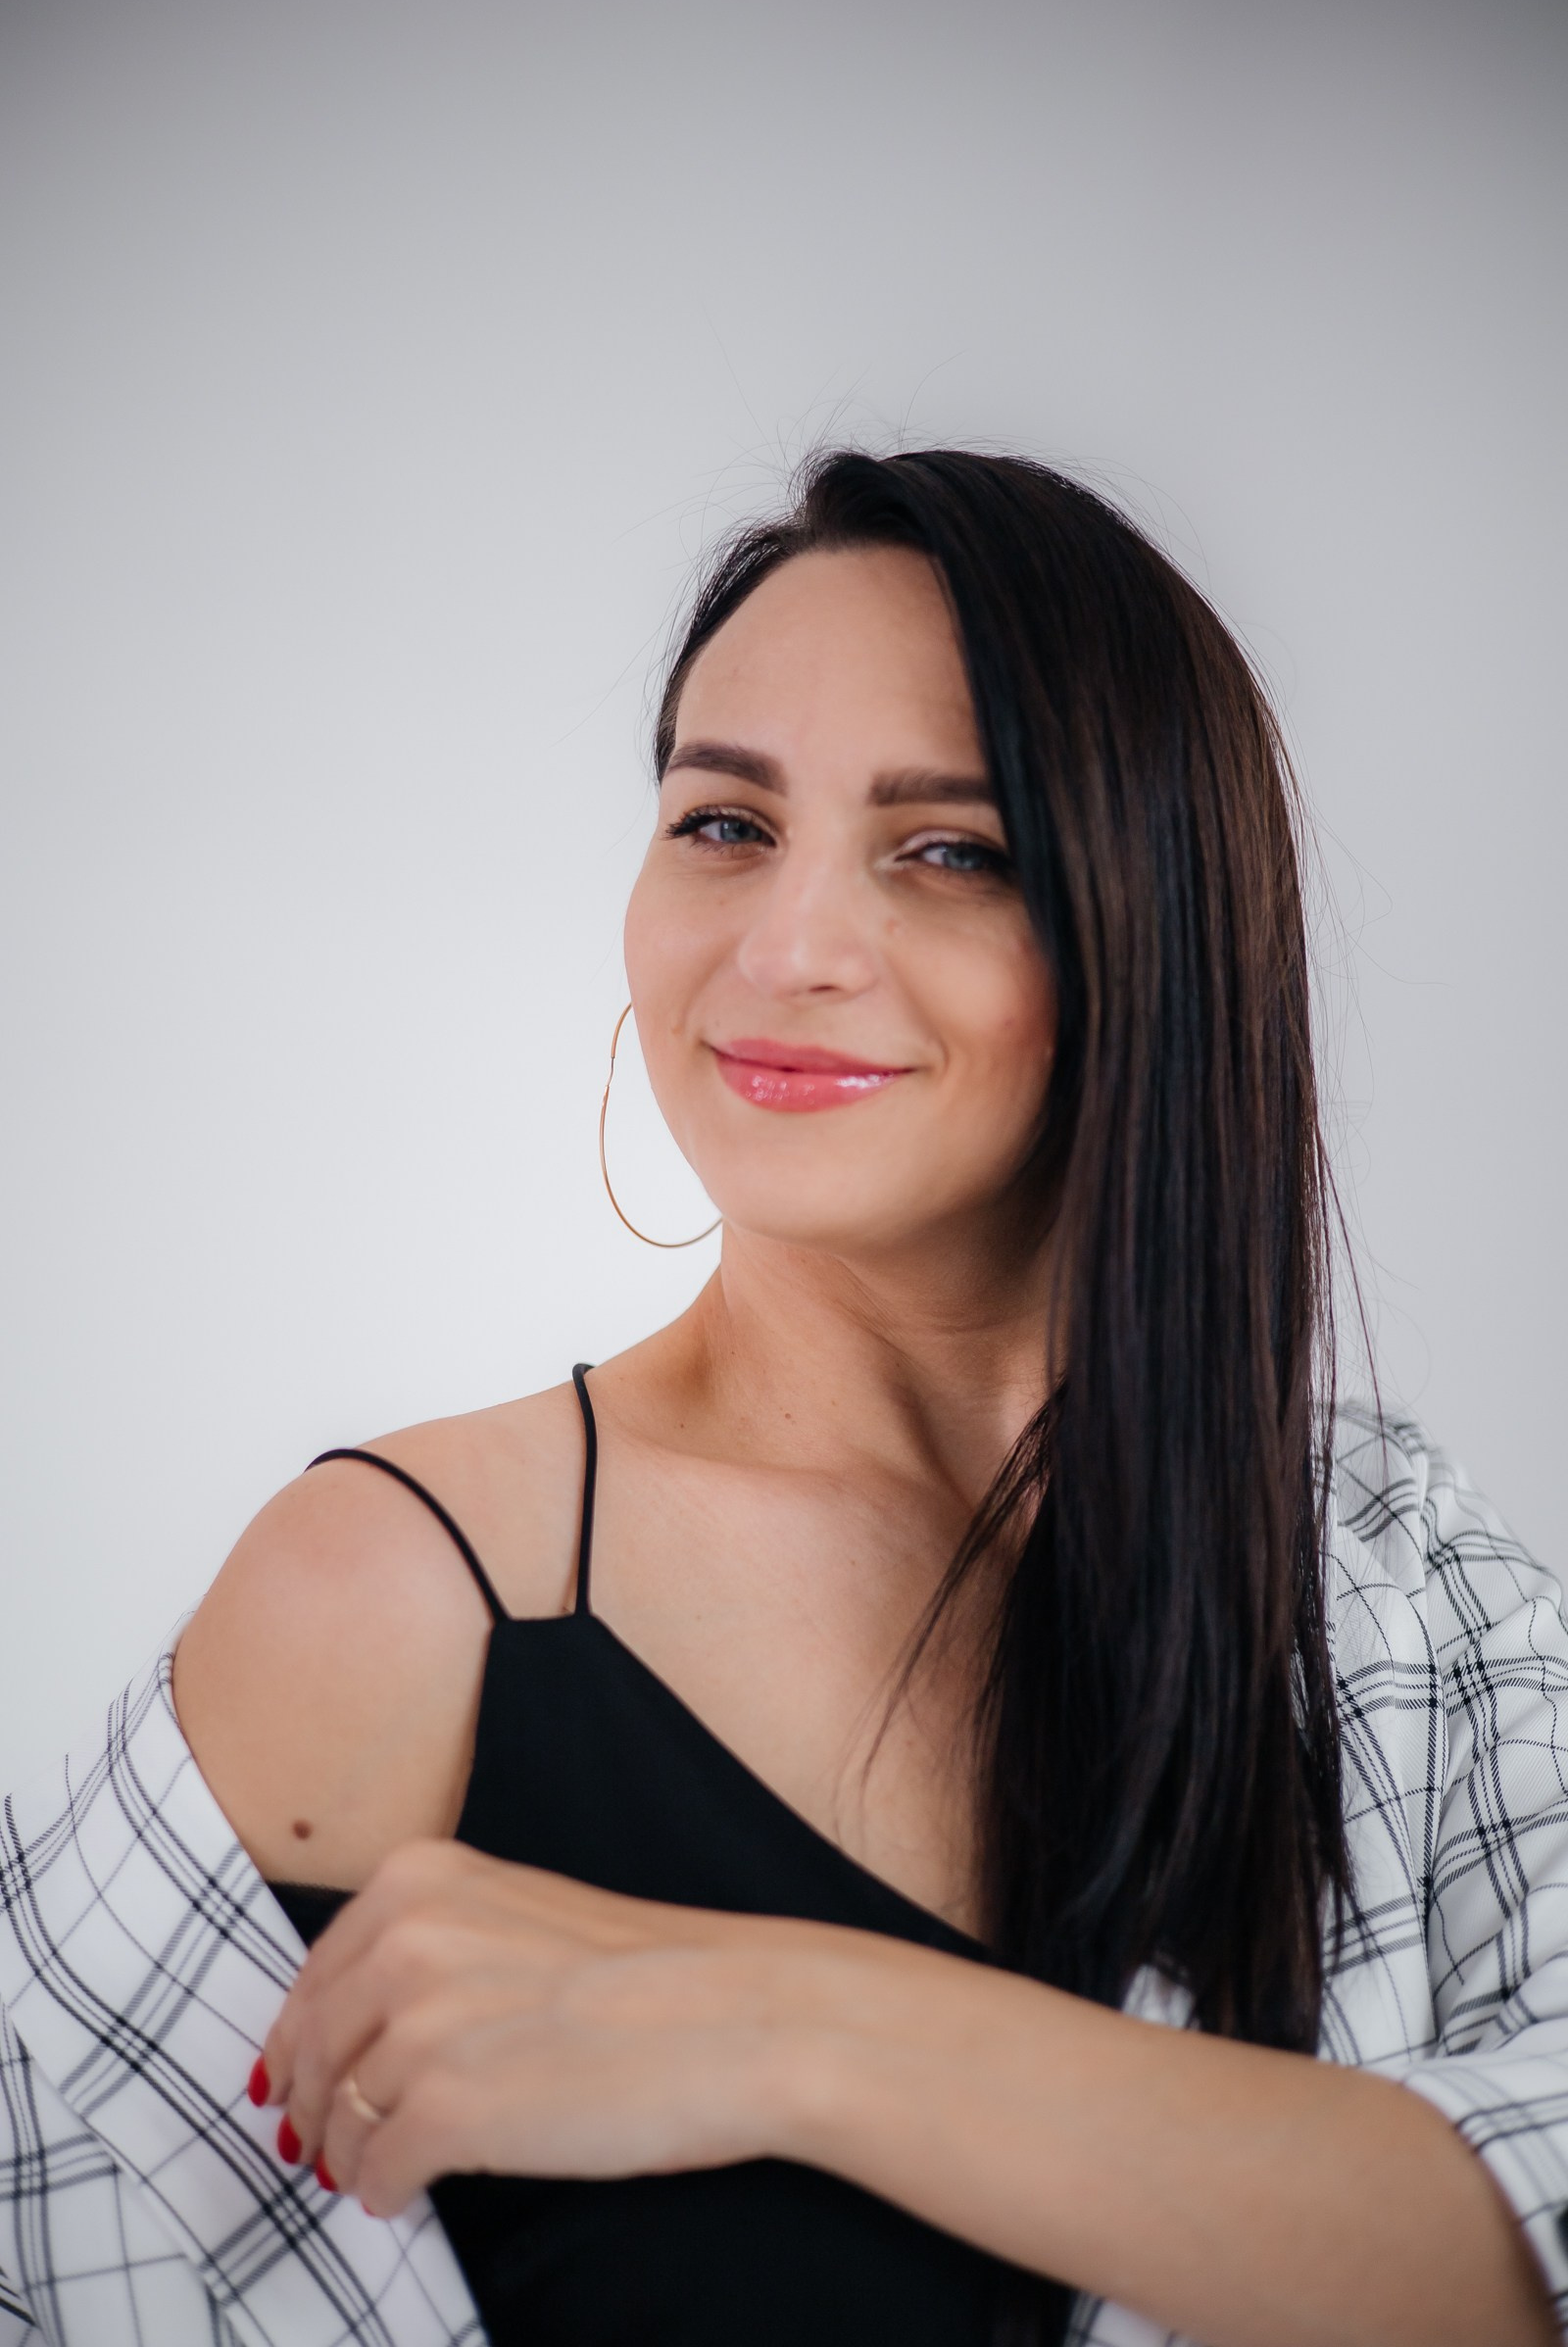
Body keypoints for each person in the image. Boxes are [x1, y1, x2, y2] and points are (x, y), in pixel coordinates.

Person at [2, 448, 1564, 2347]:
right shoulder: (389, 1607)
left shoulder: (1389, 1573)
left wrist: (769, 2026)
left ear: (1155, 931)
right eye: (725, 824)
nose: (786, 949)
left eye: (949, 849)